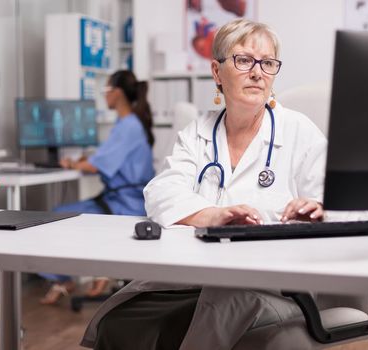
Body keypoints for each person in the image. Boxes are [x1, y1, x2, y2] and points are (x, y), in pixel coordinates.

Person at [81, 19, 326, 349]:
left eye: (267, 63)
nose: (258, 72)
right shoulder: (197, 134)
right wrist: (213, 215)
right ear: (216, 71)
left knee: (221, 305)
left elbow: (340, 205)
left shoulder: (300, 132)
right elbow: (161, 193)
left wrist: (316, 210)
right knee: (119, 323)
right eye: (244, 60)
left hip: (272, 284)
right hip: (197, 279)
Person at [39, 70, 155, 305]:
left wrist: (74, 162)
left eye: (106, 91)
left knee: (54, 217)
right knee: (63, 212)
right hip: (123, 199)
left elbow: (97, 165)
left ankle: (64, 278)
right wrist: (86, 159)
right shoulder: (128, 123)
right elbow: (106, 157)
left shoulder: (128, 126)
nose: (104, 97)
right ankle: (93, 273)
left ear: (117, 93)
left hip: (125, 204)